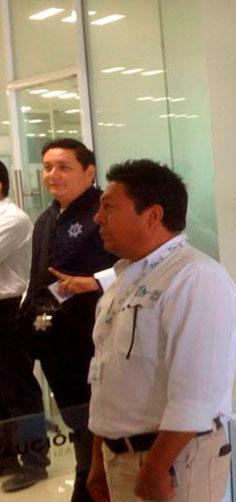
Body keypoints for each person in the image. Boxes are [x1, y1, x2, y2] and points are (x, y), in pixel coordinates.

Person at [83, 159, 236, 502]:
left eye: (109, 207)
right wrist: (98, 456)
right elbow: (106, 376)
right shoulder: (124, 278)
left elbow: (197, 391)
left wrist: (156, 469)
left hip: (173, 462)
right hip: (121, 456)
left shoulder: (195, 278)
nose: (98, 218)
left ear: (152, 215)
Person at [3, 139, 116, 499]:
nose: (53, 175)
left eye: (64, 167)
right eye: (48, 167)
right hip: (52, 340)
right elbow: (38, 279)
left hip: (93, 337)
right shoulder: (47, 218)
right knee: (76, 420)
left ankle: (91, 487)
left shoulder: (105, 212)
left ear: (89, 171)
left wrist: (95, 281)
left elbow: (139, 264)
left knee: (95, 425)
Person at [0, 160, 32, 478]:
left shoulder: (13, 218)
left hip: (9, 310)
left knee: (17, 388)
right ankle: (6, 458)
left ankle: (34, 460)